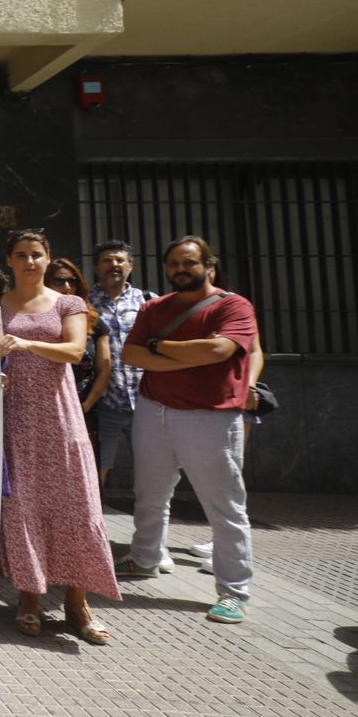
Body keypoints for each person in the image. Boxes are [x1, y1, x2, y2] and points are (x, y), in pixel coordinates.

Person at [116, 236, 260, 625]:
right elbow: (131, 355)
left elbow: (220, 351)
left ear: (209, 266)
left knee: (224, 506)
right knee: (149, 493)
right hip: (153, 410)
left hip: (210, 416)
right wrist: (191, 356)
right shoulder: (154, 307)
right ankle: (145, 558)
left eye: (190, 262)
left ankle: (233, 591)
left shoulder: (234, 306)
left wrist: (160, 347)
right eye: (174, 263)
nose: (181, 269)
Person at [0, 229, 121, 645]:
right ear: (9, 261)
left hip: (60, 418)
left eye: (36, 254)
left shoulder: (68, 303)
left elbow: (74, 351)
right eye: (20, 255)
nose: (29, 261)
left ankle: (77, 601)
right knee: (23, 505)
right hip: (15, 417)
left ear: (48, 258)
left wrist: (25, 343)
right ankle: (29, 596)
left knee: (76, 504)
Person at [87, 239, 157, 488]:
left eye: (119, 260)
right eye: (107, 261)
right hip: (103, 403)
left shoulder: (149, 302)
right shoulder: (84, 304)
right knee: (95, 470)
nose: (113, 265)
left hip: (146, 402)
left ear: (130, 266)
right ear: (96, 267)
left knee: (154, 469)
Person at [47, 259, 111, 422]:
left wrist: (87, 404)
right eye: (59, 281)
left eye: (72, 281)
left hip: (83, 404)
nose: (67, 287)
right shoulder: (34, 320)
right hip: (45, 403)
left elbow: (104, 369)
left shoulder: (92, 319)